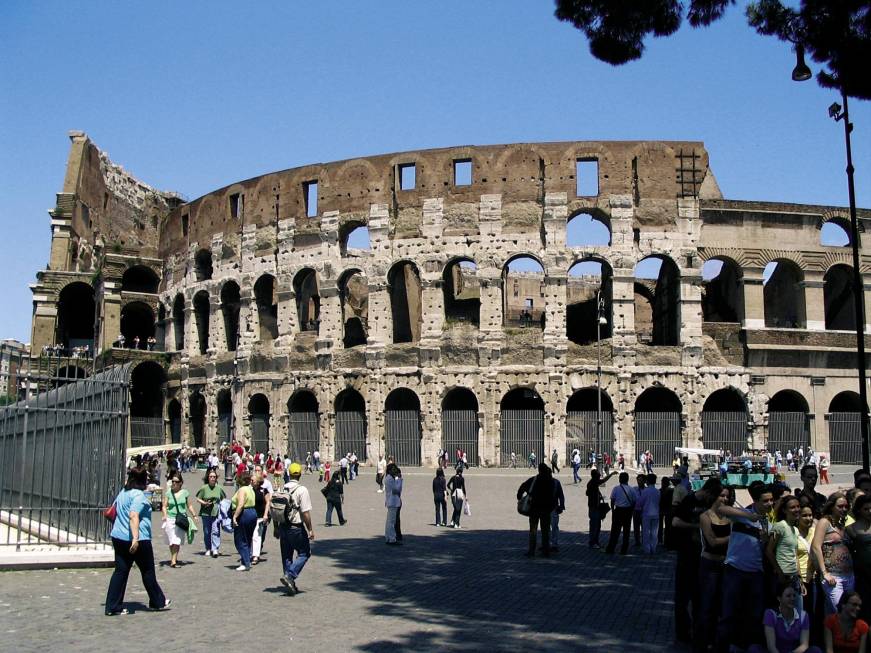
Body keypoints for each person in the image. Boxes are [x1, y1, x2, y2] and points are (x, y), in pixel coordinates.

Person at [716, 480, 774, 652]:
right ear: (755, 502)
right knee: (728, 613)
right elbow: (721, 509)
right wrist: (749, 516)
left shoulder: (768, 523)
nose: (769, 504)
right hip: (735, 570)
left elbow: (765, 550)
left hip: (755, 573)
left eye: (771, 500)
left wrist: (764, 541)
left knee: (754, 615)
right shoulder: (743, 513)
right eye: (765, 501)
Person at [105, 467, 170, 615]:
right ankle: (157, 601)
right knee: (147, 571)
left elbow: (115, 510)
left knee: (120, 572)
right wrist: (135, 539)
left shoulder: (123, 493)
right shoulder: (139, 496)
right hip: (138, 539)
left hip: (118, 537)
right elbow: (133, 515)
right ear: (142, 480)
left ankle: (112, 606)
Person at [671, 477, 723, 645]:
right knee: (682, 598)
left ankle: (700, 632)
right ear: (708, 492)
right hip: (686, 555)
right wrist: (698, 526)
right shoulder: (689, 500)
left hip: (702, 556)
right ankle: (683, 633)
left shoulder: (710, 504)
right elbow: (675, 522)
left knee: (700, 597)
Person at [696, 485, 734, 653]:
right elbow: (712, 541)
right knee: (707, 606)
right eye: (721, 496)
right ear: (714, 497)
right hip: (709, 565)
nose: (724, 499)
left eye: (727, 496)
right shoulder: (705, 516)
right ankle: (704, 642)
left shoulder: (729, 516)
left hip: (726, 564)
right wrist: (733, 536)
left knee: (724, 606)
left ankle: (721, 642)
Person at [747, 582, 820, 653]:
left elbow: (804, 645)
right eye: (788, 596)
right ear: (779, 598)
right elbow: (771, 646)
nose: (792, 598)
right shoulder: (770, 614)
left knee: (815, 650)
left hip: (794, 651)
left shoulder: (803, 615)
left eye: (794, 595)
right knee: (754, 649)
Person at [813, 492, 855, 615]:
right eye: (840, 506)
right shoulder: (824, 522)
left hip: (848, 575)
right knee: (841, 611)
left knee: (832, 614)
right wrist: (824, 572)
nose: (844, 509)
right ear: (832, 506)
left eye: (846, 506)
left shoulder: (841, 523)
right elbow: (816, 546)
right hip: (833, 576)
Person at [278, 462, 315, 595]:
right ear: (300, 474)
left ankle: (290, 583)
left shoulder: (282, 488)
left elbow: (277, 509)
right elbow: (305, 512)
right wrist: (310, 529)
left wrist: (276, 528)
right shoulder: (302, 490)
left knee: (287, 556)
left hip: (283, 526)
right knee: (305, 553)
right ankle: (290, 575)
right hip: (296, 528)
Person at [767, 495, 805, 612]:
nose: (796, 509)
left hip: (794, 578)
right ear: (784, 510)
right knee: (782, 613)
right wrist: (779, 573)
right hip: (782, 577)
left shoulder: (795, 529)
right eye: (792, 507)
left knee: (798, 612)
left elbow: (794, 555)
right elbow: (769, 551)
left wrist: (800, 579)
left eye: (798, 506)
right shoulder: (780, 526)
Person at [517, 463, 556, 557]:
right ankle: (545, 551)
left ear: (539, 470)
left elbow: (522, 486)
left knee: (533, 531)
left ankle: (531, 551)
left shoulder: (534, 480)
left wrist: (519, 496)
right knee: (545, 531)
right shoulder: (550, 481)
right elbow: (554, 495)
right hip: (546, 509)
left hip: (534, 509)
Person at [161, 474, 195, 568]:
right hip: (170, 518)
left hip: (180, 519)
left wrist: (194, 515)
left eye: (176, 482)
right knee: (171, 540)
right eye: (173, 481)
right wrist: (164, 515)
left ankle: (173, 561)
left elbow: (189, 505)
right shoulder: (168, 493)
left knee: (177, 540)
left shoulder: (185, 493)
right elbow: (164, 505)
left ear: (180, 483)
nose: (174, 483)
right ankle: (173, 557)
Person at [848, 494, 871, 623]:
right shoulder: (851, 529)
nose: (869, 512)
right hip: (863, 576)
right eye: (866, 509)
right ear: (859, 510)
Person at [195, 469, 226, 558]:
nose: (212, 478)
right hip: (205, 512)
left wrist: (220, 506)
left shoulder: (219, 488)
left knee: (216, 530)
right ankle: (208, 548)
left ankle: (215, 548)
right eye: (211, 477)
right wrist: (204, 503)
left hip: (216, 512)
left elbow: (223, 498)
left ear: (216, 478)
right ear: (208, 478)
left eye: (214, 477)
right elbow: (198, 498)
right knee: (207, 531)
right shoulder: (204, 488)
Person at [230, 471, 257, 571]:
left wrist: (235, 517)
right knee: (248, 539)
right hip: (252, 513)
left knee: (240, 539)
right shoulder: (251, 489)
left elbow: (240, 504)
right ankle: (245, 561)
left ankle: (246, 563)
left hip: (244, 514)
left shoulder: (242, 490)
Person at [605, 471, 637, 555]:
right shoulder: (631, 489)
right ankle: (624, 549)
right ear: (628, 479)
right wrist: (631, 509)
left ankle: (611, 548)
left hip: (618, 511)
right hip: (628, 511)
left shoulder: (616, 488)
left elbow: (612, 500)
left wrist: (613, 510)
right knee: (626, 531)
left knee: (615, 531)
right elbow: (634, 501)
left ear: (619, 480)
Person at [586, 468, 616, 549]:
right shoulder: (593, 483)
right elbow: (603, 480)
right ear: (595, 476)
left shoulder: (592, 483)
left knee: (597, 525)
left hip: (594, 507)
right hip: (594, 507)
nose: (599, 476)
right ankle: (593, 542)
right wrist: (611, 474)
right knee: (594, 526)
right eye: (598, 475)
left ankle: (595, 541)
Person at [250, 472, 272, 565]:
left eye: (253, 480)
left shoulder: (264, 491)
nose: (251, 481)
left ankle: (255, 555)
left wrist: (265, 515)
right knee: (250, 536)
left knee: (257, 536)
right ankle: (250, 553)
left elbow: (268, 502)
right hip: (250, 516)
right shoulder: (249, 490)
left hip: (260, 516)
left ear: (258, 482)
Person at [636, 473, 660, 554]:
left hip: (646, 513)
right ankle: (653, 547)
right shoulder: (657, 491)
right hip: (656, 513)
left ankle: (647, 549)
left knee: (646, 532)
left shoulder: (645, 491)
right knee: (654, 533)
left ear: (647, 481)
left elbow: (640, 502)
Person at [384, 463, 403, 545]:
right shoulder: (390, 479)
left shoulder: (388, 478)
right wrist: (399, 480)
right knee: (392, 521)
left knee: (389, 521)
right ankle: (392, 538)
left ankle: (388, 537)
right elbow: (396, 490)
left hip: (390, 501)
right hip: (393, 501)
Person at [550, 475, 566, 553]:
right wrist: (561, 506)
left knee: (553, 527)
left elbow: (561, 495)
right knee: (553, 527)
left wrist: (561, 506)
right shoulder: (556, 482)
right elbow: (561, 496)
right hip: (551, 508)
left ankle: (553, 544)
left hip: (551, 508)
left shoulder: (556, 482)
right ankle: (552, 544)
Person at [633, 474, 646, 547]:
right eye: (638, 480)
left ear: (644, 481)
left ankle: (644, 540)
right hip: (636, 510)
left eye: (640, 480)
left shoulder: (647, 490)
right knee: (636, 527)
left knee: (644, 527)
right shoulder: (634, 489)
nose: (639, 482)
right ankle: (637, 541)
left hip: (644, 511)